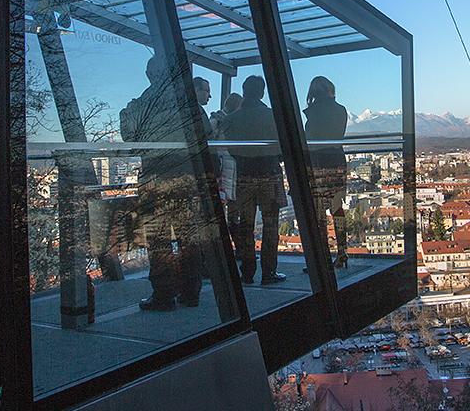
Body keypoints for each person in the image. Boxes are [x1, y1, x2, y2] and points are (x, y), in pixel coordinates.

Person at [120, 57, 207, 310]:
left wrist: (126, 111)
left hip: (156, 176)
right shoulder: (188, 101)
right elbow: (205, 131)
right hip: (187, 174)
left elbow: (130, 136)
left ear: (151, 75)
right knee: (188, 235)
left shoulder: (145, 102)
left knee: (158, 238)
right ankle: (192, 292)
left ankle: (164, 294)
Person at [219, 76, 287, 285]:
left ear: (244, 91)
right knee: (270, 225)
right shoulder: (272, 116)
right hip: (269, 173)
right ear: (262, 92)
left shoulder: (231, 119)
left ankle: (247, 271)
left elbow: (230, 149)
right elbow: (282, 148)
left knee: (245, 225)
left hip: (244, 175)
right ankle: (269, 272)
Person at [303, 76, 349, 268]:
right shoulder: (341, 111)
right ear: (330, 90)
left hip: (317, 164)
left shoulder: (312, 114)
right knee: (337, 209)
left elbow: (308, 141)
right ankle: (342, 252)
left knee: (319, 212)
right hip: (337, 161)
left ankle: (321, 258)